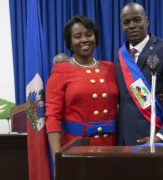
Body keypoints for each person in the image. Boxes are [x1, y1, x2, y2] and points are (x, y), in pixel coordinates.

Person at [116, 2, 163, 145]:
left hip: (154, 138)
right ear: (122, 26)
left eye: (137, 20)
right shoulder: (120, 56)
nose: (132, 25)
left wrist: (161, 137)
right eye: (126, 22)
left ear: (147, 21)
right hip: (123, 142)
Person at [45, 15, 119, 163]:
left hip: (112, 148)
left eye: (89, 34)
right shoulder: (61, 70)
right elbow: (53, 117)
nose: (84, 39)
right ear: (70, 43)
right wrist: (56, 157)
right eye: (77, 36)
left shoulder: (110, 68)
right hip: (76, 150)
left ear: (95, 38)